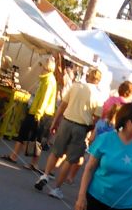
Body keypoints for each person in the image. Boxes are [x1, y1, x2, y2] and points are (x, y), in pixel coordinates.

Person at [35, 65, 104, 199]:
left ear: (87, 76)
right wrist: (90, 130)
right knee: (70, 159)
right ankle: (56, 188)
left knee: (56, 152)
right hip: (81, 127)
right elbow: (97, 117)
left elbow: (62, 105)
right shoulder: (98, 95)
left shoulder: (75, 86)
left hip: (66, 122)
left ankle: (45, 175)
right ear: (99, 80)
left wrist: (55, 121)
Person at [9, 54, 57, 168]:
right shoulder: (44, 79)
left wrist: (39, 114)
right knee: (23, 132)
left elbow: (45, 99)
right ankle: (14, 156)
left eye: (42, 65)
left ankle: (34, 163)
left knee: (37, 138)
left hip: (41, 113)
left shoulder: (49, 80)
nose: (40, 68)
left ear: (47, 67)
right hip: (34, 110)